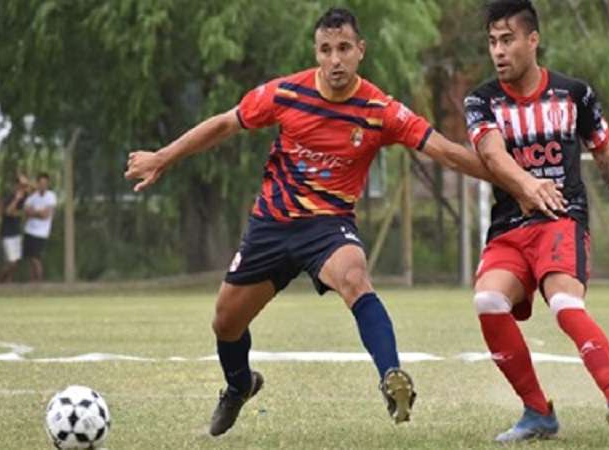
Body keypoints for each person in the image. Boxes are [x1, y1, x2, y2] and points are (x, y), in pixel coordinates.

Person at [126, 7, 564, 437]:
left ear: (360, 51)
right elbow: (225, 124)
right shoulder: (286, 94)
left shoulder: (380, 109)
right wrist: (162, 157)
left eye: (343, 49)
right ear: (316, 53)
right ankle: (240, 385)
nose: (335, 59)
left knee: (355, 277)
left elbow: (445, 150)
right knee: (225, 323)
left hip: (328, 227)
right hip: (272, 225)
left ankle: (392, 377)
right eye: (326, 50)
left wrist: (517, 180)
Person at [463, 0, 609, 442]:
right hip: (510, 228)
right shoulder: (481, 99)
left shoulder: (574, 93)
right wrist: (528, 186)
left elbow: (605, 154)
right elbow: (492, 155)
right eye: (492, 41)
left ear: (533, 40)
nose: (498, 51)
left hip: (562, 220)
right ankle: (538, 413)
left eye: (508, 40)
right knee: (488, 302)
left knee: (565, 305)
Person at [23, 173, 57, 282]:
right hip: (29, 231)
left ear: (48, 184)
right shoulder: (32, 197)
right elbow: (26, 213)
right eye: (41, 183)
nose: (43, 185)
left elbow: (46, 215)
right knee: (30, 259)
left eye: (45, 183)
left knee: (36, 258)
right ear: (37, 184)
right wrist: (39, 212)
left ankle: (39, 282)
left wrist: (34, 212)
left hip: (41, 233)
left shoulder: (51, 196)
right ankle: (32, 282)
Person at [0, 174, 30, 282]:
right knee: (11, 262)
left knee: (15, 262)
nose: (24, 187)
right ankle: (1, 281)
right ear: (16, 185)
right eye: (22, 185)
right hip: (7, 233)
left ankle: (8, 283)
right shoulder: (10, 197)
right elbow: (7, 212)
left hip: (17, 232)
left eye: (25, 185)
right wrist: (16, 199)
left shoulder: (26, 197)